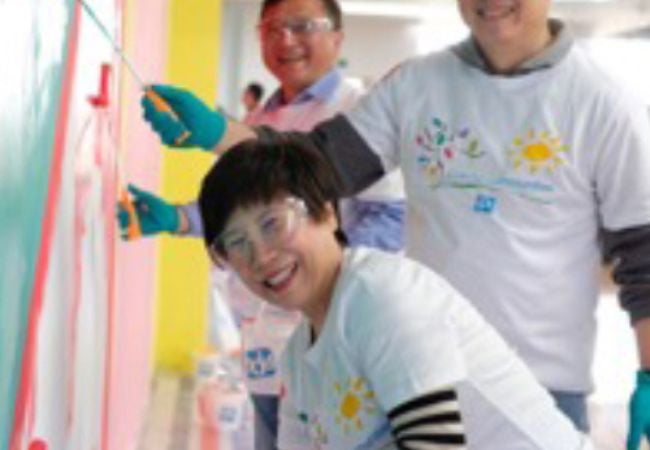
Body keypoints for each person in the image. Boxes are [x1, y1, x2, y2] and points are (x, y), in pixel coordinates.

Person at [140, 1, 650, 446]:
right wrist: (217, 131)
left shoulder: (603, 102)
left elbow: (643, 254)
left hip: (538, 389)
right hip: (410, 359)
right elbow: (320, 163)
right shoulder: (419, 85)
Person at [121, 0, 405, 448]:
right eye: (271, 28)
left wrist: (327, 286)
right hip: (261, 337)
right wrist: (176, 218)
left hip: (331, 339)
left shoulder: (360, 113)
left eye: (301, 26)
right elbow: (247, 212)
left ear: (337, 36)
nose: (284, 39)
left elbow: (391, 218)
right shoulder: (259, 120)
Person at [196, 135, 592, 449]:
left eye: (272, 224)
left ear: (327, 211)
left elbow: (434, 446)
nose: (261, 255)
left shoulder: (379, 295)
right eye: (237, 242)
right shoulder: (301, 356)